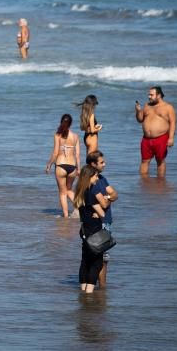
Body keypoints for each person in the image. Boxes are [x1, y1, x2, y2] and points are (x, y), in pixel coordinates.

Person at [74, 165, 110, 294]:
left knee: (85, 261)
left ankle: (83, 291)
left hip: (84, 229)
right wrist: (107, 200)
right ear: (89, 177)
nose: (97, 178)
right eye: (95, 176)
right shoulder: (91, 192)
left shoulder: (80, 191)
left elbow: (87, 210)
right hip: (94, 230)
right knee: (97, 263)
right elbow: (102, 214)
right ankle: (89, 293)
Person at [86, 151, 117, 288]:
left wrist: (109, 198)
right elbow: (103, 204)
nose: (105, 164)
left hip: (106, 221)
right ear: (93, 164)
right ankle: (102, 289)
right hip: (100, 223)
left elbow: (114, 194)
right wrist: (108, 199)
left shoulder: (102, 179)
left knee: (102, 258)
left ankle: (99, 287)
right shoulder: (93, 183)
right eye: (101, 162)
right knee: (102, 258)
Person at [135, 86, 177, 176]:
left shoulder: (168, 107)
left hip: (161, 138)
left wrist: (171, 138)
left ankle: (161, 182)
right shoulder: (147, 105)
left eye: (151, 95)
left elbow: (173, 123)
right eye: (148, 95)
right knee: (144, 161)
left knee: (160, 161)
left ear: (159, 95)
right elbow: (140, 120)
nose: (149, 96)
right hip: (146, 139)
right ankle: (143, 183)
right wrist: (138, 111)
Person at [45, 114, 80, 218]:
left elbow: (55, 153)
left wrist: (49, 164)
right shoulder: (75, 136)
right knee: (69, 190)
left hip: (61, 166)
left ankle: (65, 215)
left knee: (62, 193)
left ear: (61, 122)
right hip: (72, 167)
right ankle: (80, 208)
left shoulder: (57, 135)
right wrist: (79, 168)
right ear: (71, 123)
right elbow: (77, 155)